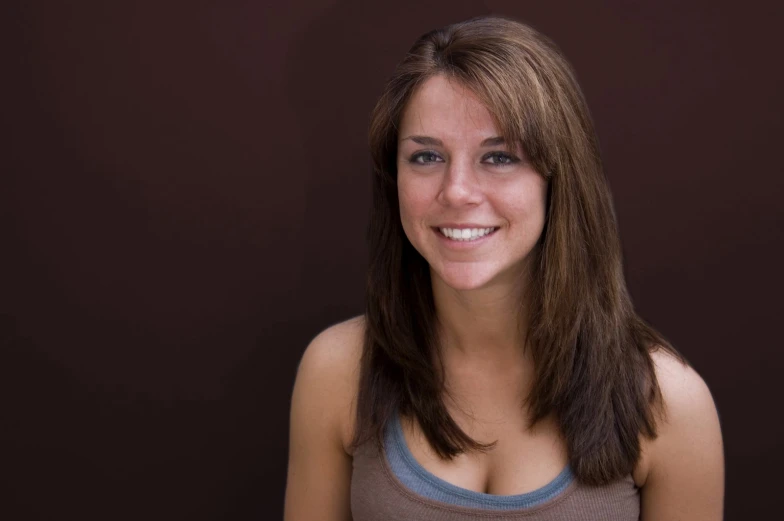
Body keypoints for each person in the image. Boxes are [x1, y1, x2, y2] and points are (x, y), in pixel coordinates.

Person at [284, 15, 724, 521]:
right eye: (426, 156)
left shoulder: (670, 404)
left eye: (499, 158)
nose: (457, 192)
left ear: (558, 177)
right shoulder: (337, 372)